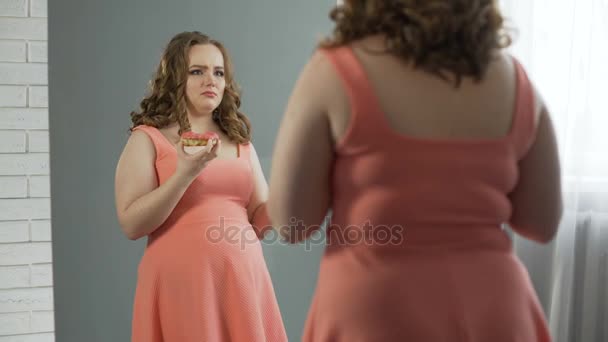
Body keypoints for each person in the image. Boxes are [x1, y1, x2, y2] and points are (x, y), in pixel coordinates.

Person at [268, 1, 562, 341]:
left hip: (378, 312)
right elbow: (541, 223)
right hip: (496, 312)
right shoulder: (515, 79)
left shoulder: (335, 71)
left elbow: (293, 224)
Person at [114, 31, 287, 342]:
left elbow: (259, 221)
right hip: (183, 284)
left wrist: (290, 196)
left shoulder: (239, 141)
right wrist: (184, 174)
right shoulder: (149, 138)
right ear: (176, 78)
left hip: (242, 281)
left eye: (218, 72)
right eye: (198, 71)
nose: (211, 80)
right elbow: (131, 223)